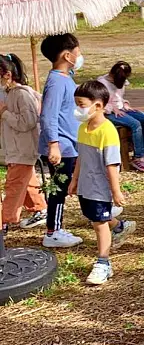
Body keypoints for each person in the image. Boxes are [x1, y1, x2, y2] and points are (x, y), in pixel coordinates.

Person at [67, 80, 136, 285]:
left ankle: (103, 263)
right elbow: (81, 156)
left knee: (98, 224)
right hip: (86, 186)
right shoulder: (83, 128)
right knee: (96, 217)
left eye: (81, 104)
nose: (78, 109)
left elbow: (112, 165)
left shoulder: (108, 132)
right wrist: (75, 179)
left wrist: (116, 191)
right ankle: (119, 227)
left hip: (99, 187)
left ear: (98, 105)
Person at [38, 33, 84, 249]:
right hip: (61, 147)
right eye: (77, 51)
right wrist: (53, 144)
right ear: (67, 55)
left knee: (72, 182)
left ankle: (100, 210)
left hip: (70, 144)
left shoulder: (66, 77)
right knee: (59, 189)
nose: (80, 55)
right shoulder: (57, 82)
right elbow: (48, 115)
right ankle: (53, 231)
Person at [0, 54, 47, 234]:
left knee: (13, 185)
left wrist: (4, 113)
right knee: (25, 181)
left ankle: (4, 221)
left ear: (7, 75)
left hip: (22, 148)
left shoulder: (20, 94)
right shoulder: (11, 93)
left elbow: (27, 122)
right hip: (17, 149)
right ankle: (40, 208)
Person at [98, 62, 144, 173]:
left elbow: (119, 97)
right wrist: (112, 109)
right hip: (108, 113)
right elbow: (99, 103)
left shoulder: (121, 79)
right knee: (135, 124)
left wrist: (125, 104)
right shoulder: (101, 83)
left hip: (122, 109)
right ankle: (138, 157)